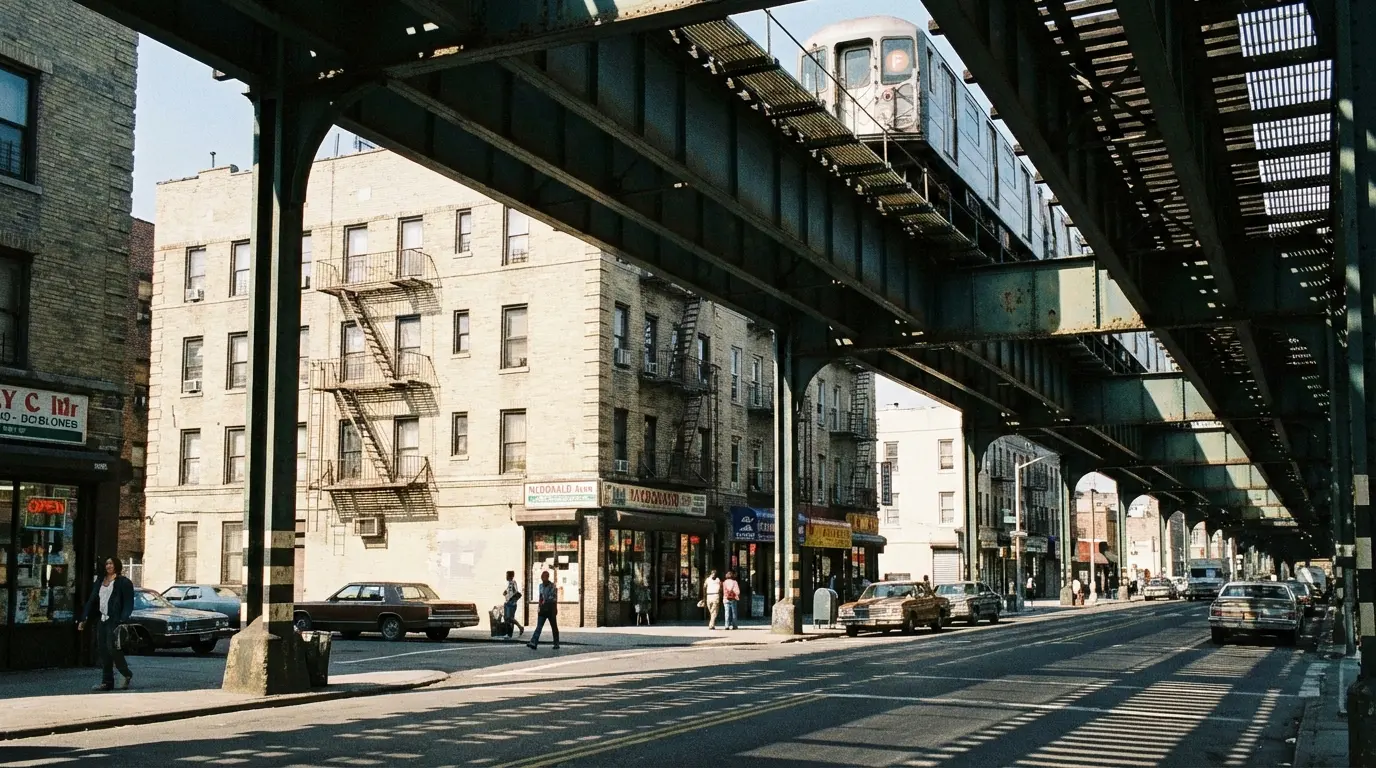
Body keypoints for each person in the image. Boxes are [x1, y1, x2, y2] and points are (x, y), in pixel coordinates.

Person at [78, 556, 135, 691]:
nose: (109, 566)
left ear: (117, 565)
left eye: (111, 563)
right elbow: (92, 600)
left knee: (113, 649)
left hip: (114, 620)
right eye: (107, 563)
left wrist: (123, 619)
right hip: (102, 620)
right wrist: (83, 618)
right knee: (103, 651)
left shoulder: (123, 582)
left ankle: (126, 673)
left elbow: (128, 603)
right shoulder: (99, 581)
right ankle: (107, 682)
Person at [526, 571, 560, 651]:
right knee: (539, 626)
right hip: (543, 609)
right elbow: (540, 597)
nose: (543, 579)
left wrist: (555, 608)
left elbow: (554, 598)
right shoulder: (540, 586)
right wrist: (539, 606)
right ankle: (533, 642)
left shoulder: (552, 586)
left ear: (547, 577)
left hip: (551, 609)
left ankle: (556, 643)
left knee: (554, 627)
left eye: (544, 577)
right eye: (542, 577)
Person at [502, 570, 524, 640]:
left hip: (511, 603)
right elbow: (509, 592)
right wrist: (505, 593)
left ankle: (520, 627)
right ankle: (508, 634)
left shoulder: (513, 583)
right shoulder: (509, 584)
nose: (506, 577)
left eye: (507, 575)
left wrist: (512, 600)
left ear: (510, 576)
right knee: (506, 619)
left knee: (510, 618)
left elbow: (516, 592)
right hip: (507, 602)